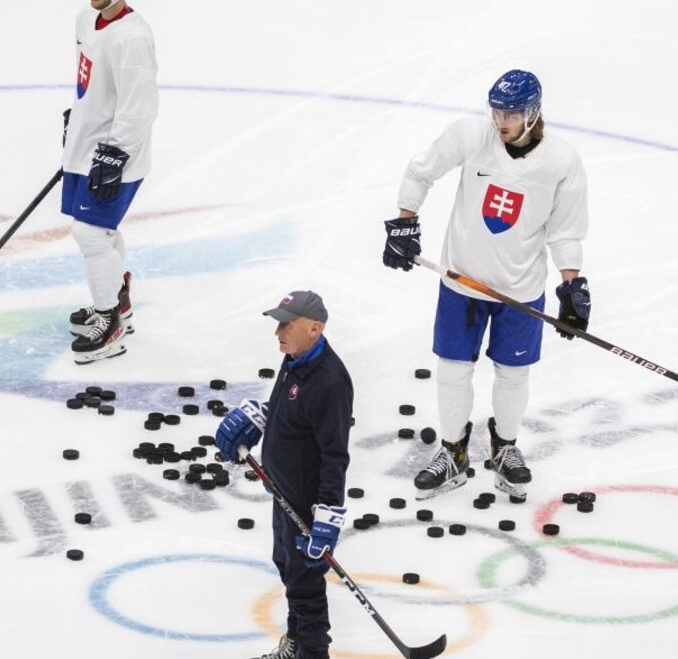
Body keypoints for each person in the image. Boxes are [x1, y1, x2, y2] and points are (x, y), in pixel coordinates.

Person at [382, 69, 590, 502]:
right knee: (452, 371)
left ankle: (505, 448)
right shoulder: (471, 135)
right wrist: (404, 224)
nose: (501, 121)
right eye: (496, 112)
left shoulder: (561, 160)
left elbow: (566, 230)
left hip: (520, 290)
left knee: (513, 375)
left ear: (532, 113)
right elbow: (420, 172)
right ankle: (453, 453)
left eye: (510, 114)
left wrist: (572, 286)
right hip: (462, 282)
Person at [214, 290, 354, 659]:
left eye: (287, 324)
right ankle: (296, 643)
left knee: (305, 581)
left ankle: (312, 652)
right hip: (282, 489)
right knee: (288, 569)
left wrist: (327, 513)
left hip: (305, 500)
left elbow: (334, 455)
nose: (278, 332)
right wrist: (263, 417)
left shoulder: (330, 382)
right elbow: (294, 409)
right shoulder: (295, 359)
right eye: (278, 323)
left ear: (315, 328)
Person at [59, 0, 159, 365]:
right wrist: (77, 118)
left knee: (90, 233)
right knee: (100, 231)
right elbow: (90, 81)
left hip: (117, 152)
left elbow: (140, 107)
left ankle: (110, 321)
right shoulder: (86, 19)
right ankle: (119, 301)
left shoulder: (132, 38)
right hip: (88, 145)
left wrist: (115, 154)